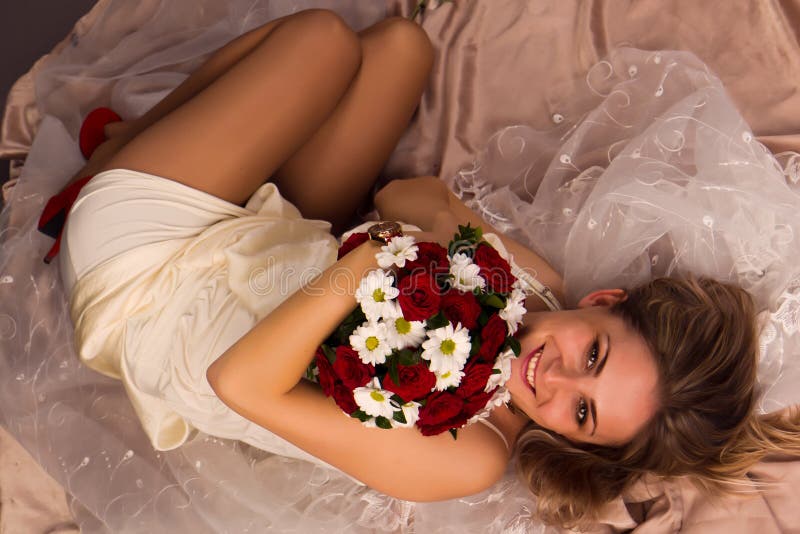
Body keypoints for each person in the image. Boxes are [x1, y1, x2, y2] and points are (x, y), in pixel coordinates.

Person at [40, 8, 800, 529]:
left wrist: (380, 263)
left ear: (582, 445)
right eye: (592, 353)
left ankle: (116, 155)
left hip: (149, 285)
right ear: (602, 301)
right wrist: (448, 254)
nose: (554, 380)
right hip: (275, 244)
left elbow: (238, 384)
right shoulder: (526, 286)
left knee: (321, 41)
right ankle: (154, 143)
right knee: (403, 47)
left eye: (582, 414)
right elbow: (407, 195)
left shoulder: (469, 452)